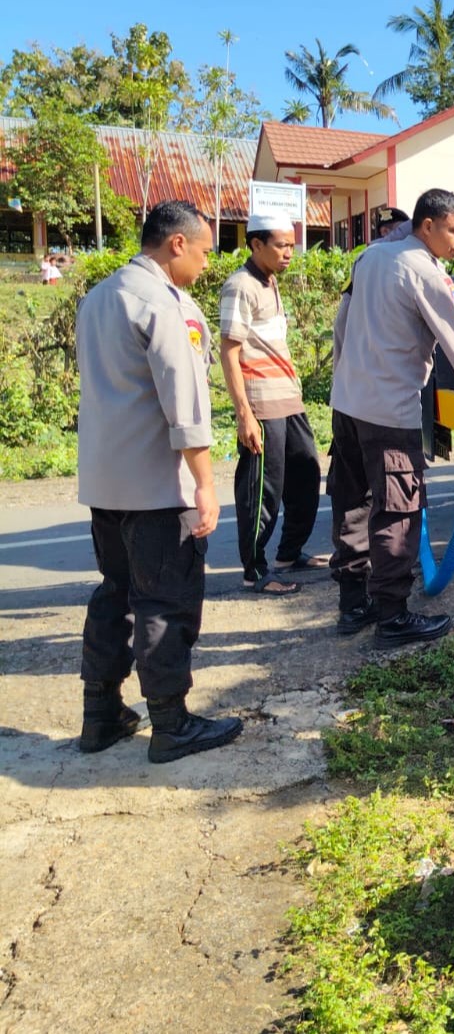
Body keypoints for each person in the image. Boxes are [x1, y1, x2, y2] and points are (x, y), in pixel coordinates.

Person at [74, 200, 244, 763]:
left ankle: (100, 713)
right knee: (165, 603)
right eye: (201, 252)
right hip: (156, 486)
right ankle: (170, 722)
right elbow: (185, 402)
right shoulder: (166, 305)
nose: (203, 264)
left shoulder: (99, 296)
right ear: (176, 244)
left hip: (105, 482)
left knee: (114, 595)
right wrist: (206, 484)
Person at [328, 188, 454, 648]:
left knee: (353, 503)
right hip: (390, 411)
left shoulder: (371, 257)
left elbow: (342, 326)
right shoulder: (424, 271)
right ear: (427, 226)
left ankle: (352, 604)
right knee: (397, 512)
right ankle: (392, 616)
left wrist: (342, 384)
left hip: (349, 404)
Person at [219, 210, 324, 595]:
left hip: (289, 399)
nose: (288, 253)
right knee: (263, 490)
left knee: (307, 472)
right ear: (256, 244)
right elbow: (228, 351)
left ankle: (289, 552)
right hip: (261, 402)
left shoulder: (270, 282)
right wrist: (244, 413)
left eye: (292, 246)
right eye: (281, 245)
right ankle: (255, 570)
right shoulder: (240, 286)